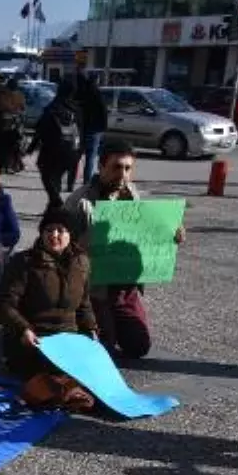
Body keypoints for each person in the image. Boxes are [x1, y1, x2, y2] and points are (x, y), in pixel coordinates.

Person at [66, 139, 184, 360]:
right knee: (104, 351)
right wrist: (84, 245)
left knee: (138, 346)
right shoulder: (79, 202)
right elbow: (56, 248)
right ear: (100, 167)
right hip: (93, 290)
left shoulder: (132, 195)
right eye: (116, 167)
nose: (122, 174)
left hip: (124, 287)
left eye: (128, 168)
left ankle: (112, 325)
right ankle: (79, 325)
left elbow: (147, 233)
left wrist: (171, 235)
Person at [0, 208, 97, 378]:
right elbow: (3, 306)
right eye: (49, 230)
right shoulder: (24, 263)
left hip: (68, 337)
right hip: (35, 338)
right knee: (55, 375)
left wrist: (90, 329)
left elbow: (84, 304)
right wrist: (23, 329)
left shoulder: (82, 263)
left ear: (70, 235)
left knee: (94, 373)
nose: (54, 235)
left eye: (61, 230)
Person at [27, 80, 80, 209]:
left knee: (48, 176)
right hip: (71, 151)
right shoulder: (77, 109)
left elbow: (40, 129)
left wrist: (31, 147)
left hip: (52, 151)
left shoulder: (53, 107)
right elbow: (81, 132)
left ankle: (56, 202)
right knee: (56, 178)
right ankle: (53, 207)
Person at [0, 79, 26, 173]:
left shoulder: (1, 95)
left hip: (1, 126)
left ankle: (3, 166)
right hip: (12, 127)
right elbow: (23, 110)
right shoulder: (19, 96)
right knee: (13, 147)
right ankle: (12, 165)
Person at [76, 72, 108, 184]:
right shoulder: (97, 93)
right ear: (96, 80)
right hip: (95, 129)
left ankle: (71, 181)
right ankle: (87, 182)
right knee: (90, 157)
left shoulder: (82, 93)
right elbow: (104, 112)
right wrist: (104, 128)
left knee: (78, 156)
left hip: (82, 129)